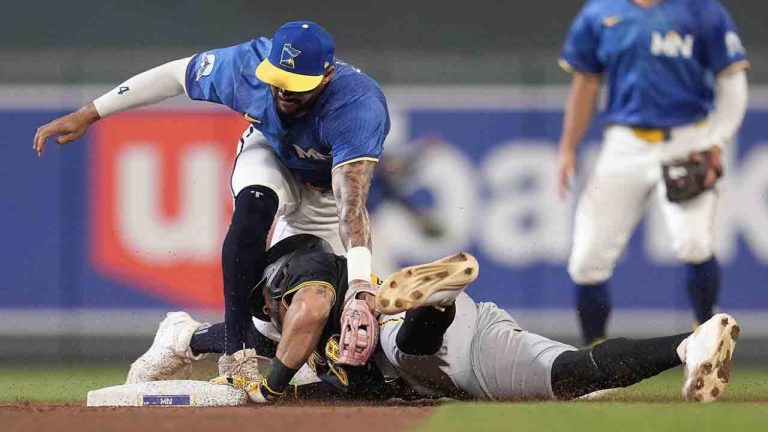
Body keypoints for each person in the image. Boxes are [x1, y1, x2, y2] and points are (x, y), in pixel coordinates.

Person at [32, 21, 390, 379]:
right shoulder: (247, 66)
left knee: (293, 328)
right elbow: (175, 75)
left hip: (325, 199)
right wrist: (88, 114)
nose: (282, 90)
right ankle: (236, 351)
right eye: (278, 77)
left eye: (295, 84)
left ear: (326, 77)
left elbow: (350, 205)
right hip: (271, 154)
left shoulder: (358, 106)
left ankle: (184, 338)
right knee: (254, 205)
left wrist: (359, 285)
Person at [127, 234, 740, 403]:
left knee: (389, 344)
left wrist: (271, 389)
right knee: (577, 375)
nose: (269, 309)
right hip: (471, 333)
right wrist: (189, 339)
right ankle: (690, 344)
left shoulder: (314, 297)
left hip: (431, 343)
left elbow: (311, 330)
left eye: (271, 298)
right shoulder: (279, 326)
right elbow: (243, 338)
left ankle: (431, 303)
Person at [556, 0, 749, 345]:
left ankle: (707, 343)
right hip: (624, 143)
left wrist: (716, 142)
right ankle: (593, 357)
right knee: (586, 260)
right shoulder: (600, 12)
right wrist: (568, 147)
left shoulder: (702, 10)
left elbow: (732, 81)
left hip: (687, 139)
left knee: (694, 243)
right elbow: (586, 82)